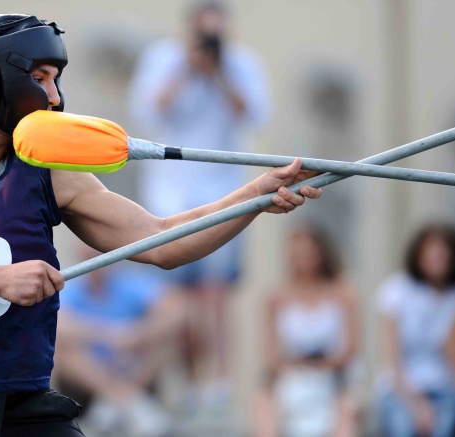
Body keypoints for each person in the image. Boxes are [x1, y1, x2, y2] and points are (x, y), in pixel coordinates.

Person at [0, 13, 321, 436]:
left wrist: (254, 196)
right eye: (40, 78)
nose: (55, 98)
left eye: (56, 80)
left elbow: (161, 240)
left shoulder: (52, 173)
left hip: (25, 405)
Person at [128, 0, 271, 402]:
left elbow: (254, 116)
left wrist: (220, 74)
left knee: (217, 294)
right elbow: (148, 111)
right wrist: (186, 69)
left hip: (223, 193)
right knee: (180, 299)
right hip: (170, 197)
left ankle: (220, 384)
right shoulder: (163, 59)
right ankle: (191, 386)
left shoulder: (241, 65)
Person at [55, 248, 185, 436]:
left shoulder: (130, 282)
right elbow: (56, 322)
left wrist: (138, 335)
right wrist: (105, 334)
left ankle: (117, 403)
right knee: (64, 349)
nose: (95, 266)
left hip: (132, 366)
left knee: (166, 340)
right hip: (88, 374)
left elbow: (176, 310)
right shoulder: (71, 285)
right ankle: (127, 401)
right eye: (89, 259)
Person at [253, 227, 359, 437]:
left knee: (347, 407)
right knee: (263, 401)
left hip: (333, 375)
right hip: (292, 374)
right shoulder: (276, 297)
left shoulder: (344, 292)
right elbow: (272, 355)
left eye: (307, 253)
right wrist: (295, 368)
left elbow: (350, 348)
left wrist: (321, 366)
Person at [377, 224, 455, 437]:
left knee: (443, 428)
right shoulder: (397, 291)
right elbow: (392, 359)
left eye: (444, 255)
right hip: (402, 388)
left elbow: (453, 350)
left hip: (446, 387)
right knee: (403, 428)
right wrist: (416, 404)